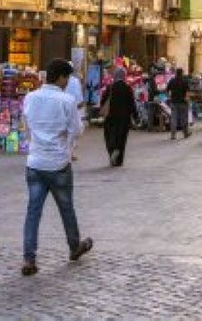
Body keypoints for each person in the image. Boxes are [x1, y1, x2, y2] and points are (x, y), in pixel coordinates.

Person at [20, 59, 94, 277]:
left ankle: (29, 258)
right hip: (58, 162)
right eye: (67, 78)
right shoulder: (66, 100)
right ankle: (74, 246)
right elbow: (76, 130)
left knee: (33, 211)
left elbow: (26, 127)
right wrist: (67, 145)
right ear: (61, 77)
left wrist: (34, 145)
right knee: (66, 207)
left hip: (35, 162)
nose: (67, 82)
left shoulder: (30, 97)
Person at [100, 67, 134, 167]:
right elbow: (132, 103)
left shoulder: (110, 87)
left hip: (110, 117)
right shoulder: (127, 88)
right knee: (122, 138)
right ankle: (119, 160)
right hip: (124, 118)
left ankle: (112, 151)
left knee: (110, 135)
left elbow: (103, 101)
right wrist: (134, 115)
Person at [167, 68, 191, 140]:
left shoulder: (172, 81)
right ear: (182, 73)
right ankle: (185, 133)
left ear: (176, 73)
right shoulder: (185, 81)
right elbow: (187, 92)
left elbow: (167, 90)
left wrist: (170, 97)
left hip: (174, 102)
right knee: (183, 118)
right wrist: (187, 99)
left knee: (173, 118)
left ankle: (173, 135)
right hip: (183, 102)